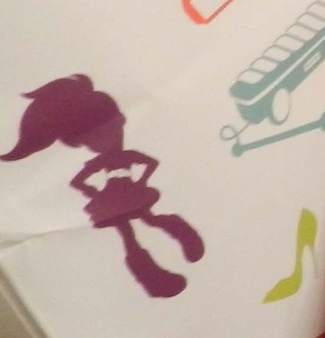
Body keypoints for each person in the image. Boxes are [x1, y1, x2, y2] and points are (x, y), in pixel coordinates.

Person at [2, 76, 204, 299]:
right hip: (116, 198)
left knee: (147, 222)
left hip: (124, 195)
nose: (93, 144)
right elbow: (78, 181)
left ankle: (182, 238)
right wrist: (96, 192)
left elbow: (149, 163)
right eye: (87, 141)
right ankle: (153, 274)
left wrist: (139, 182)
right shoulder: (106, 160)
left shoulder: (121, 156)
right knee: (131, 233)